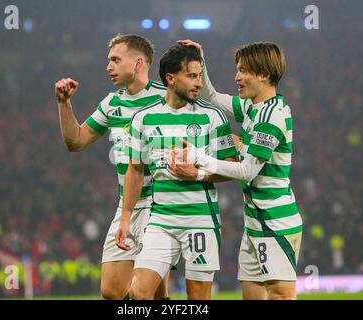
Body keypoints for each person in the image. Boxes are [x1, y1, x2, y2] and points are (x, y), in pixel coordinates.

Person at [171, 40, 303, 300]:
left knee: (280, 295)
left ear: (264, 75)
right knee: (251, 295)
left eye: (243, 70)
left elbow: (246, 172)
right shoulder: (253, 108)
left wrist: (199, 158)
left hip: (275, 222)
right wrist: (202, 59)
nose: (237, 76)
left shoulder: (271, 117)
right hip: (255, 223)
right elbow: (212, 97)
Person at [115, 45, 237, 300]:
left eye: (200, 75)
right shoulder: (143, 118)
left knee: (198, 301)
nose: (198, 82)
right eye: (192, 76)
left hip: (200, 220)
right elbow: (135, 170)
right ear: (170, 79)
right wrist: (126, 218)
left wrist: (198, 173)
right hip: (161, 220)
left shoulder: (212, 116)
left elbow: (232, 167)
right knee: (138, 295)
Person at [55, 34, 170, 300]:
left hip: (161, 204)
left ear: (138, 63)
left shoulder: (166, 99)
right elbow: (76, 141)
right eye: (109, 60)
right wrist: (64, 104)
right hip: (127, 205)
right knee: (111, 292)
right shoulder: (112, 103)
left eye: (116, 60)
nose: (109, 67)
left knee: (144, 292)